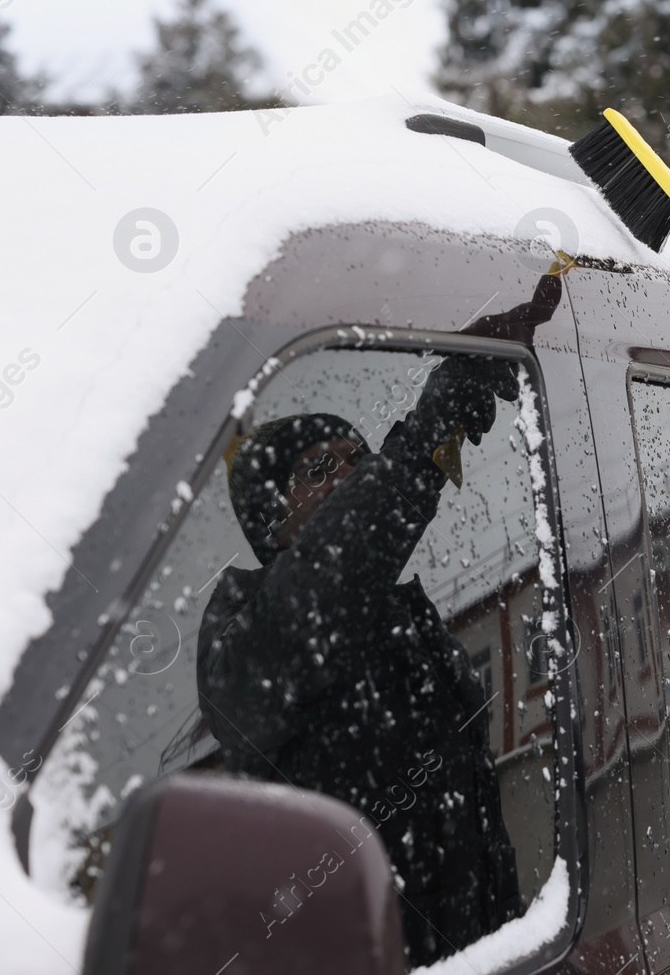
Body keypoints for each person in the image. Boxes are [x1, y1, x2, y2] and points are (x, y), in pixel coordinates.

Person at [197, 356, 524, 967]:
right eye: (320, 468)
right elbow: (327, 582)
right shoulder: (246, 639)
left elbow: (479, 844)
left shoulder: (405, 624)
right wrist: (429, 432)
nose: (349, 473)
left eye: (357, 458)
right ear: (271, 520)